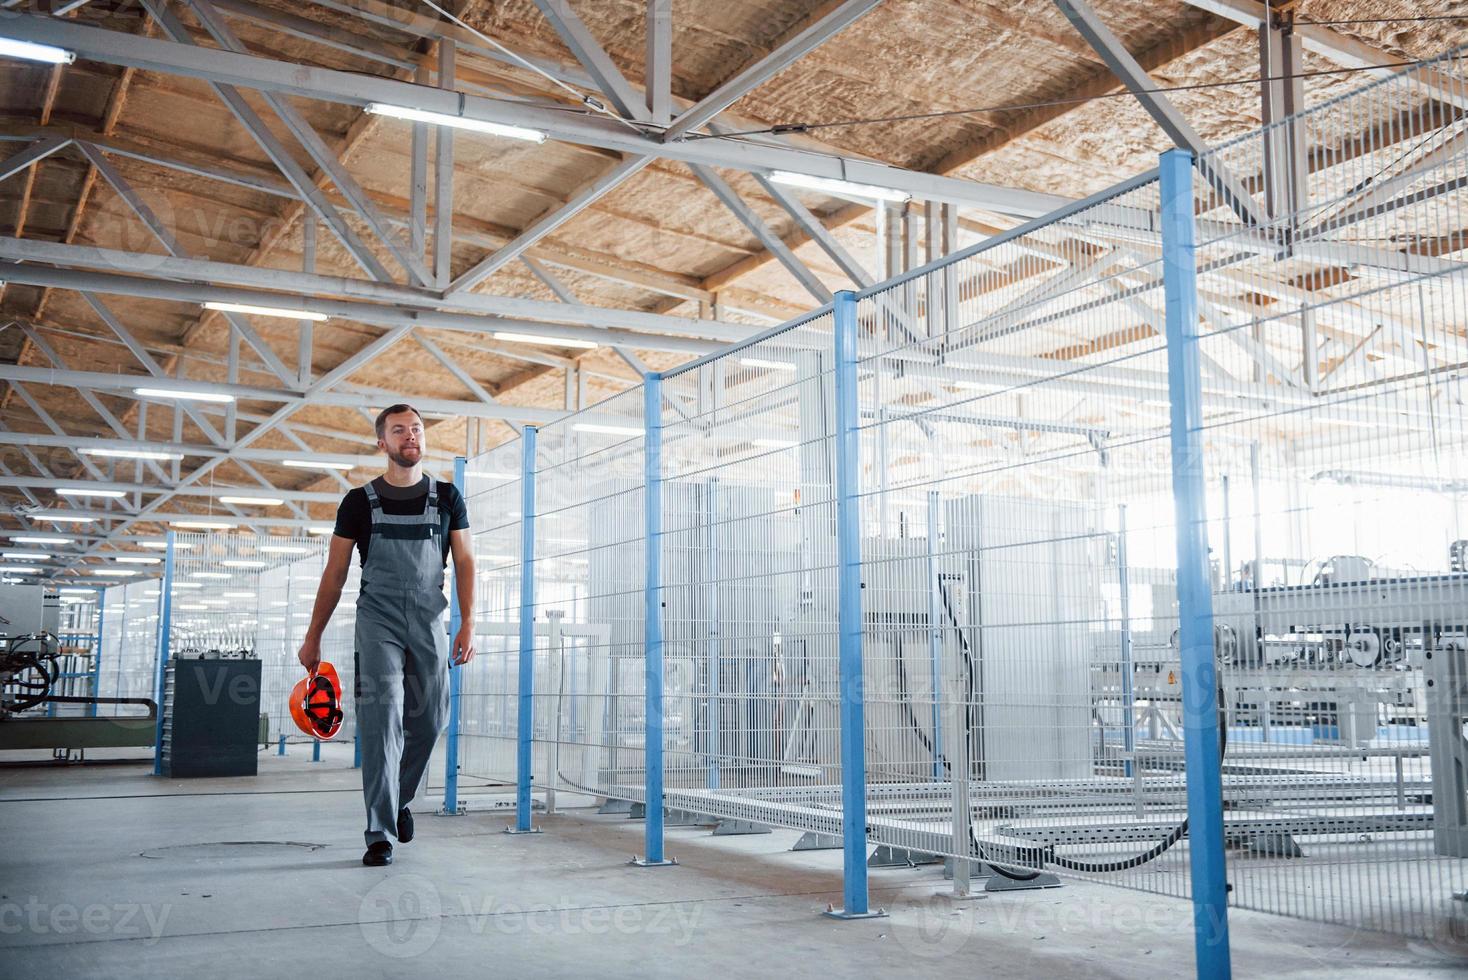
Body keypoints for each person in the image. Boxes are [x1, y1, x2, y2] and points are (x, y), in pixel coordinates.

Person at [297, 403, 475, 867]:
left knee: (433, 716)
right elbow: (335, 573)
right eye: (399, 431)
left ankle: (397, 799)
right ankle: (378, 831)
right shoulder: (359, 502)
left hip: (431, 617)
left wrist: (468, 621)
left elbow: (466, 562)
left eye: (416, 429)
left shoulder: (447, 498)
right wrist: (312, 636)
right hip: (377, 619)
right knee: (382, 719)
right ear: (383, 443)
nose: (410, 436)